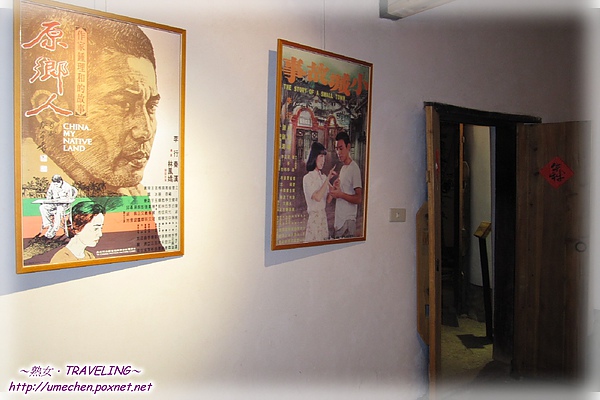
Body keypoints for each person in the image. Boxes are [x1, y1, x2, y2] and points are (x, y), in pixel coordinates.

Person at [21, 9, 160, 196]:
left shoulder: (130, 195)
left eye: (151, 106)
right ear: (51, 113)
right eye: (122, 105)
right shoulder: (27, 186)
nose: (145, 131)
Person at [330, 132, 363, 238]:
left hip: (348, 221)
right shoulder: (343, 168)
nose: (338, 152)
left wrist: (341, 194)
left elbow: (358, 198)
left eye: (341, 148)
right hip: (339, 220)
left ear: (348, 147)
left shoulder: (354, 168)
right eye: (337, 149)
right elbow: (342, 191)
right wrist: (336, 187)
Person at [302, 142, 336, 242]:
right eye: (321, 156)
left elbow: (328, 199)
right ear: (314, 157)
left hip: (323, 218)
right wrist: (327, 179)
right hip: (314, 220)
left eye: (324, 157)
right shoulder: (308, 178)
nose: (323, 160)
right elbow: (317, 197)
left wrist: (334, 186)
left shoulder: (323, 177)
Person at [40, 174, 78, 239]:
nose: (55, 186)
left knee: (59, 209)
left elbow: (70, 199)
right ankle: (49, 225)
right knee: (42, 207)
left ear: (60, 181)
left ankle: (55, 229)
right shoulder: (52, 185)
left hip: (64, 205)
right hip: (54, 204)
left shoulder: (67, 187)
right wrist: (49, 200)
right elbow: (49, 194)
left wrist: (62, 201)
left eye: (56, 184)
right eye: (54, 184)